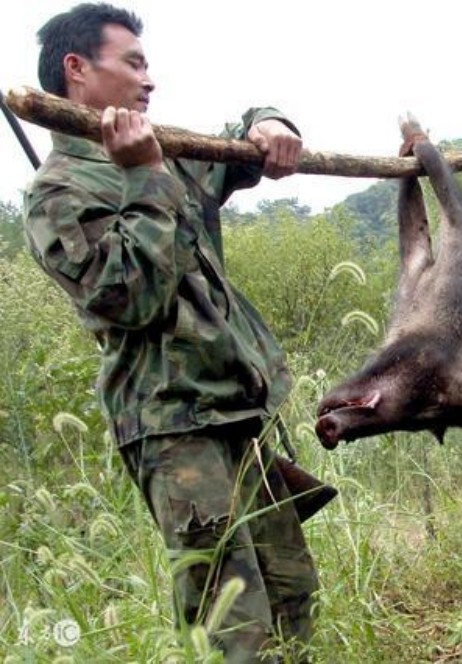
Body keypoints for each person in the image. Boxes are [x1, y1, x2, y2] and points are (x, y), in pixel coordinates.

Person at [24, 4, 328, 660]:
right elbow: (129, 297)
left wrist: (268, 124)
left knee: (293, 594)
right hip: (171, 426)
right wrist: (142, 176)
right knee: (235, 623)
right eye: (132, 63)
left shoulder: (172, 156)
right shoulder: (56, 194)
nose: (149, 79)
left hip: (236, 409)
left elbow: (243, 140)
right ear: (77, 70)